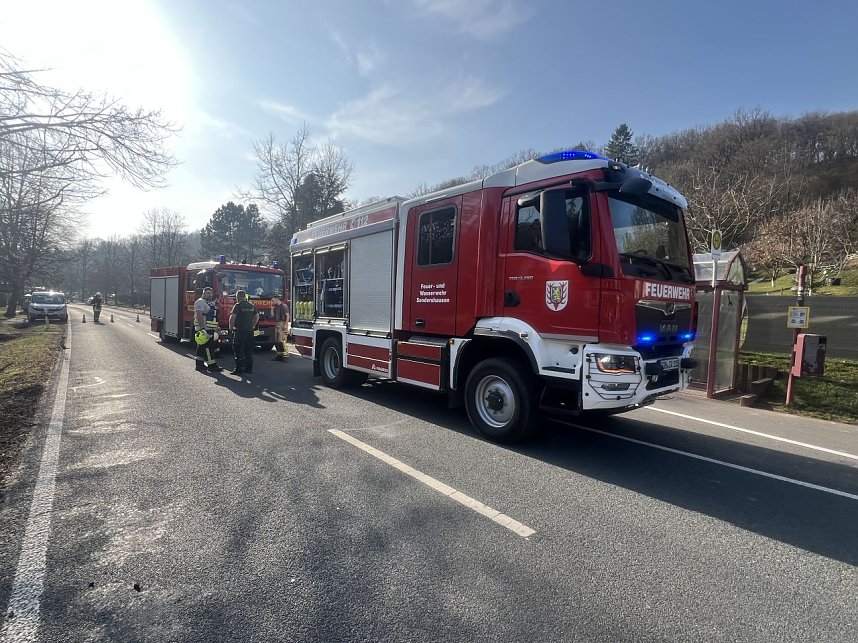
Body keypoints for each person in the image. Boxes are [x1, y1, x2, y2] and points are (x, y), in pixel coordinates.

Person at [229, 289, 259, 375]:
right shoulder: (251, 305)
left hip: (240, 331)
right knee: (248, 351)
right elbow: (257, 316)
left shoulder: (238, 305)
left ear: (238, 296)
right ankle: (248, 369)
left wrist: (231, 329)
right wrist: (253, 325)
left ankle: (238, 369)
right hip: (250, 331)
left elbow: (232, 318)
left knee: (238, 350)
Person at [193, 287, 222, 373]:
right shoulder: (200, 302)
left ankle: (199, 365)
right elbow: (199, 315)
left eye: (211, 293)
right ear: (203, 293)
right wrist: (202, 329)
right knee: (208, 348)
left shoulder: (208, 303)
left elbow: (212, 317)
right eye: (208, 293)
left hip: (209, 329)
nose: (210, 295)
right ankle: (212, 366)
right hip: (205, 330)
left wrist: (216, 327)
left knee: (201, 348)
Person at [270, 294, 290, 362]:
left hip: (282, 323)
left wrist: (286, 325)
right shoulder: (276, 307)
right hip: (277, 324)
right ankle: (279, 355)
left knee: (282, 341)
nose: (272, 302)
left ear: (277, 299)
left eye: (273, 300)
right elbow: (272, 316)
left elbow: (287, 316)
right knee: (277, 341)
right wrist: (272, 309)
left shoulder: (284, 306)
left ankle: (285, 356)